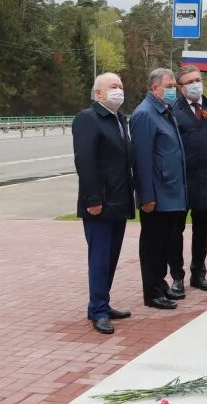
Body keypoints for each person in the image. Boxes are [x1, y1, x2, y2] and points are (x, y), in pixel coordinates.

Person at [71, 72, 134, 334]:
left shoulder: (120, 119)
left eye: (120, 85)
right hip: (100, 203)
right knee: (99, 258)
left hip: (119, 201)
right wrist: (93, 199)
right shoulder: (88, 119)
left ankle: (102, 303)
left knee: (111, 258)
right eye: (112, 86)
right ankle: (97, 310)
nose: (118, 90)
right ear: (98, 94)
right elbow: (85, 162)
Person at [170, 65, 207, 293]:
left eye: (197, 79)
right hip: (182, 181)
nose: (195, 84)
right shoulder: (173, 110)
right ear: (181, 87)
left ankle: (199, 273)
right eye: (189, 82)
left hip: (206, 178)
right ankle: (177, 276)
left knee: (202, 228)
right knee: (176, 230)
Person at [130, 67, 187, 310]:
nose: (174, 89)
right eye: (170, 85)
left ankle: (160, 284)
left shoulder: (164, 111)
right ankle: (151, 292)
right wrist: (147, 196)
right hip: (157, 194)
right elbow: (141, 160)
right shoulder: (144, 114)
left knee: (164, 243)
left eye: (174, 85)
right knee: (153, 245)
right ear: (155, 88)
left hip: (171, 192)